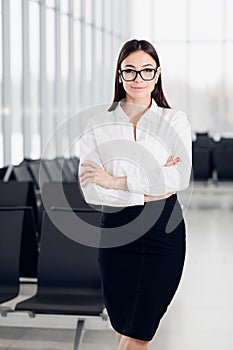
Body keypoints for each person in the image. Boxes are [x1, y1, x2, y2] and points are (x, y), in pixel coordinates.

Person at [78, 39, 192, 350]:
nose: (138, 79)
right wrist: (151, 183)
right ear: (119, 75)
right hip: (115, 234)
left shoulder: (174, 121)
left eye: (146, 71)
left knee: (139, 335)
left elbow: (178, 178)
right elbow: (90, 189)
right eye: (130, 71)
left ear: (157, 75)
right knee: (123, 329)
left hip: (162, 232)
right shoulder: (97, 123)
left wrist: (116, 182)